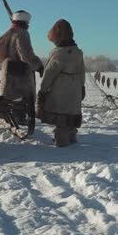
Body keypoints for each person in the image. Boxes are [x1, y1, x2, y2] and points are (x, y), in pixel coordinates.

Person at [37, 19, 86, 147]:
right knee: (71, 113)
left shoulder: (59, 54)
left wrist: (43, 90)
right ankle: (72, 137)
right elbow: (82, 71)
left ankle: (62, 142)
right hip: (75, 87)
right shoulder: (77, 52)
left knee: (61, 118)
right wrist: (82, 86)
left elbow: (49, 74)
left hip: (61, 89)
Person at [0, 10, 43, 130]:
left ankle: (11, 116)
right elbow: (25, 54)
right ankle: (19, 118)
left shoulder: (9, 32)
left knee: (11, 97)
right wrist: (38, 66)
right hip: (20, 74)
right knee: (23, 97)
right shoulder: (22, 33)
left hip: (8, 70)